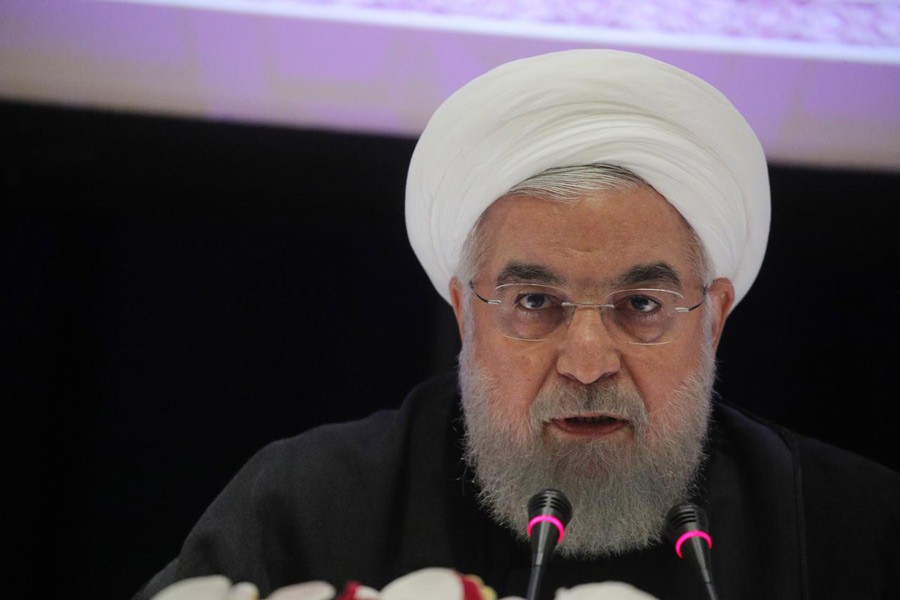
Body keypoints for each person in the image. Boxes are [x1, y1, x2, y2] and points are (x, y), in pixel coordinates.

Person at [131, 49, 900, 600]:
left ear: (716, 319)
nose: (589, 362)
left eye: (640, 307)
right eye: (536, 303)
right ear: (466, 312)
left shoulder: (847, 523)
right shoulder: (312, 502)